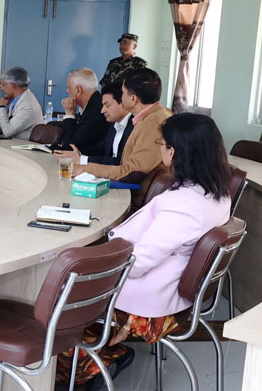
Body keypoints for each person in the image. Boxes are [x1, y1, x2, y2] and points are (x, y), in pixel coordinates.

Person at [56, 113, 232, 388]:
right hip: (167, 287)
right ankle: (109, 354)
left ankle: (91, 368)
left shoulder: (185, 206)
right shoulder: (216, 193)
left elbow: (138, 263)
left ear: (173, 152)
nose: (160, 149)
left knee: (63, 302)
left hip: (150, 304)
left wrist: (92, 269)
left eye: (162, 144)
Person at [73, 69, 173, 193]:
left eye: (123, 93)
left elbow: (132, 172)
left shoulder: (153, 123)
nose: (121, 97)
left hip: (135, 196)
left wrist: (85, 169)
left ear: (133, 99)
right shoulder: (150, 117)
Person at [55, 82, 133, 166]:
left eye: (107, 105)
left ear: (123, 103)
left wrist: (83, 159)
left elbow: (121, 163)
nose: (102, 111)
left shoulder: (135, 127)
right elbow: (102, 148)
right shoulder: (114, 123)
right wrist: (78, 154)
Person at [52, 68, 106, 151]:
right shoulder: (91, 103)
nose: (67, 91)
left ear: (78, 90)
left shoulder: (97, 111)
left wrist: (69, 114)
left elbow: (71, 146)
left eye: (69, 87)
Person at [0, 67, 43, 139]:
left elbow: (8, 131)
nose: (1, 88)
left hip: (22, 144)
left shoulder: (28, 106)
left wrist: (1, 107)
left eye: (3, 85)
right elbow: (6, 123)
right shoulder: (17, 99)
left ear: (12, 86)